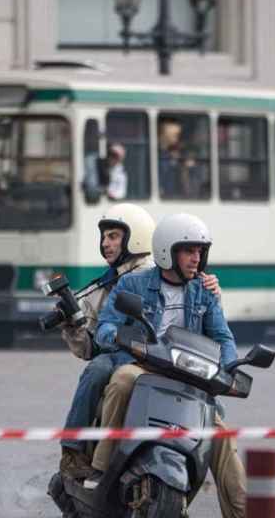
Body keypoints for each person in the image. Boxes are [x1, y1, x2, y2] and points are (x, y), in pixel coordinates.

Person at [87, 213, 246, 518]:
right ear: (166, 251)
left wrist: (231, 367)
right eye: (189, 251)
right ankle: (101, 466)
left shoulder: (204, 290)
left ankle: (243, 513)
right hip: (145, 366)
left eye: (200, 251)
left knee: (221, 436)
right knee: (121, 380)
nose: (196, 258)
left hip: (187, 375)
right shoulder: (133, 283)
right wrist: (125, 339)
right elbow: (106, 326)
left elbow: (222, 336)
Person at [58, 204, 222, 481]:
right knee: (98, 368)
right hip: (128, 355)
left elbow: (214, 326)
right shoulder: (105, 283)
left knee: (217, 417)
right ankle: (74, 453)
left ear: (135, 237)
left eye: (113, 236)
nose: (106, 243)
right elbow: (91, 347)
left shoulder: (153, 273)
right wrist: (73, 326)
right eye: (104, 237)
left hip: (169, 359)